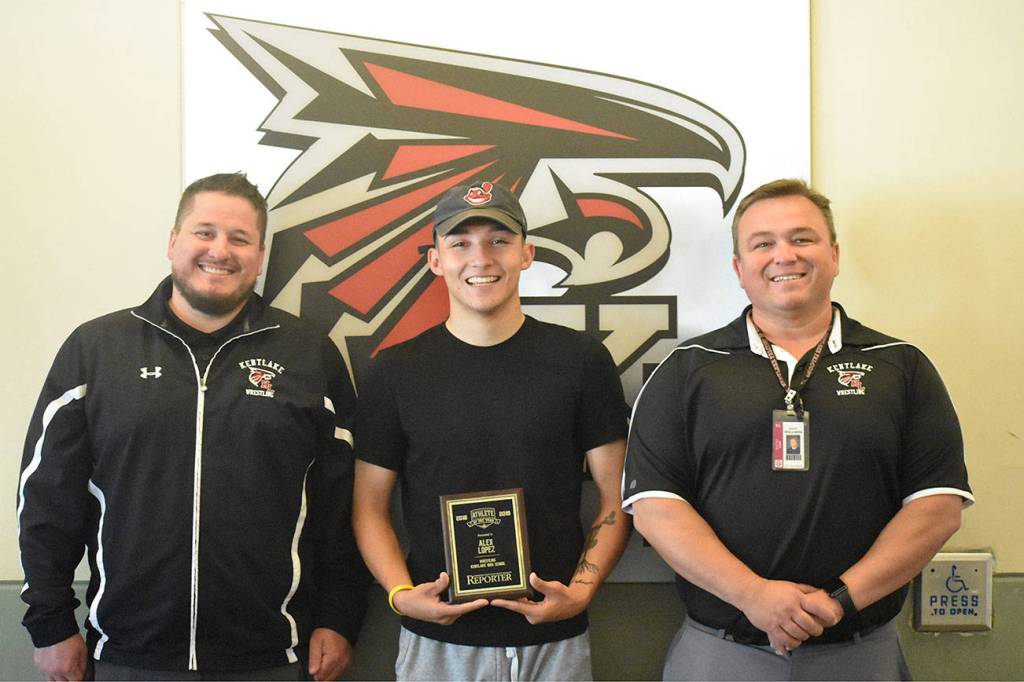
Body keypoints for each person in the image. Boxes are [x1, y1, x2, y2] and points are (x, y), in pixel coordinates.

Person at [17, 173, 370, 681]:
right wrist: (50, 623)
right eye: (205, 232)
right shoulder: (96, 350)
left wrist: (340, 618)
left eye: (239, 238)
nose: (219, 251)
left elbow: (342, 501)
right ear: (173, 241)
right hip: (126, 653)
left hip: (272, 654)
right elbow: (47, 496)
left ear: (260, 257)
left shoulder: (309, 356)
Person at [622, 178, 973, 680]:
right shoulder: (686, 369)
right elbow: (656, 510)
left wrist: (839, 600)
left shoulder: (901, 366)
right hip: (722, 652)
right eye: (762, 243)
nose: (784, 255)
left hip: (860, 652)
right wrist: (753, 595)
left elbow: (936, 509)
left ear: (834, 255)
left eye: (802, 238)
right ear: (739, 268)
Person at [353, 181, 630, 681]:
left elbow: (616, 498)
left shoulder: (582, 361)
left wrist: (580, 594)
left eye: (499, 240)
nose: (480, 258)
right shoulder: (393, 372)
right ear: (435, 260)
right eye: (460, 243)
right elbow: (369, 507)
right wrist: (401, 595)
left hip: (554, 640)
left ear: (527, 253)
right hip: (438, 644)